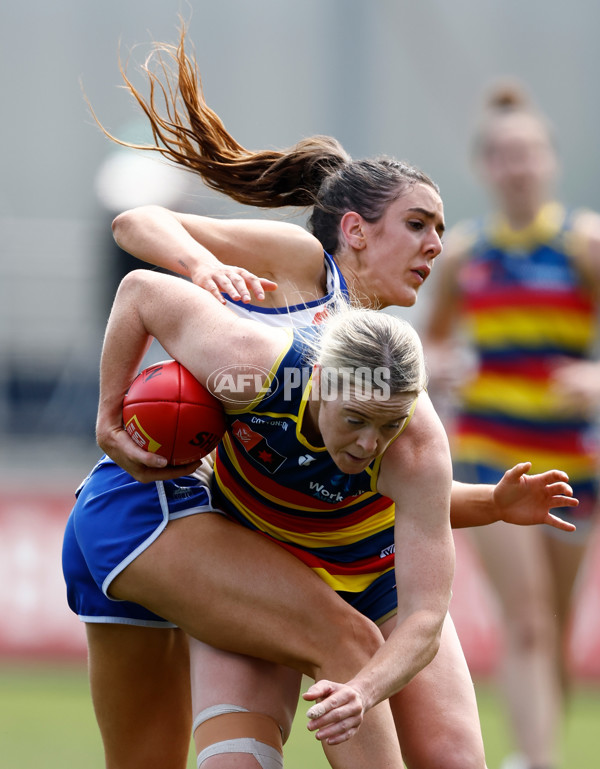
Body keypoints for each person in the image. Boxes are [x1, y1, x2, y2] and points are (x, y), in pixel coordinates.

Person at [67, 28, 577, 769]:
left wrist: (493, 504)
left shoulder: (390, 381)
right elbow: (136, 235)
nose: (437, 243)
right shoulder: (289, 291)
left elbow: (406, 487)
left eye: (440, 229)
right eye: (419, 225)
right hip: (263, 542)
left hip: (366, 558)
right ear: (355, 233)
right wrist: (204, 267)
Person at [421, 81, 600, 769]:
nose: (517, 165)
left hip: (572, 458)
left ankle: (536, 748)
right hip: (492, 451)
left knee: (553, 627)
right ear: (484, 167)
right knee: (525, 619)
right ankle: (534, 758)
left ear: (549, 162)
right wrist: (438, 367)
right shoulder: (465, 255)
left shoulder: (582, 245)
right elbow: (432, 342)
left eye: (528, 152)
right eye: (503, 154)